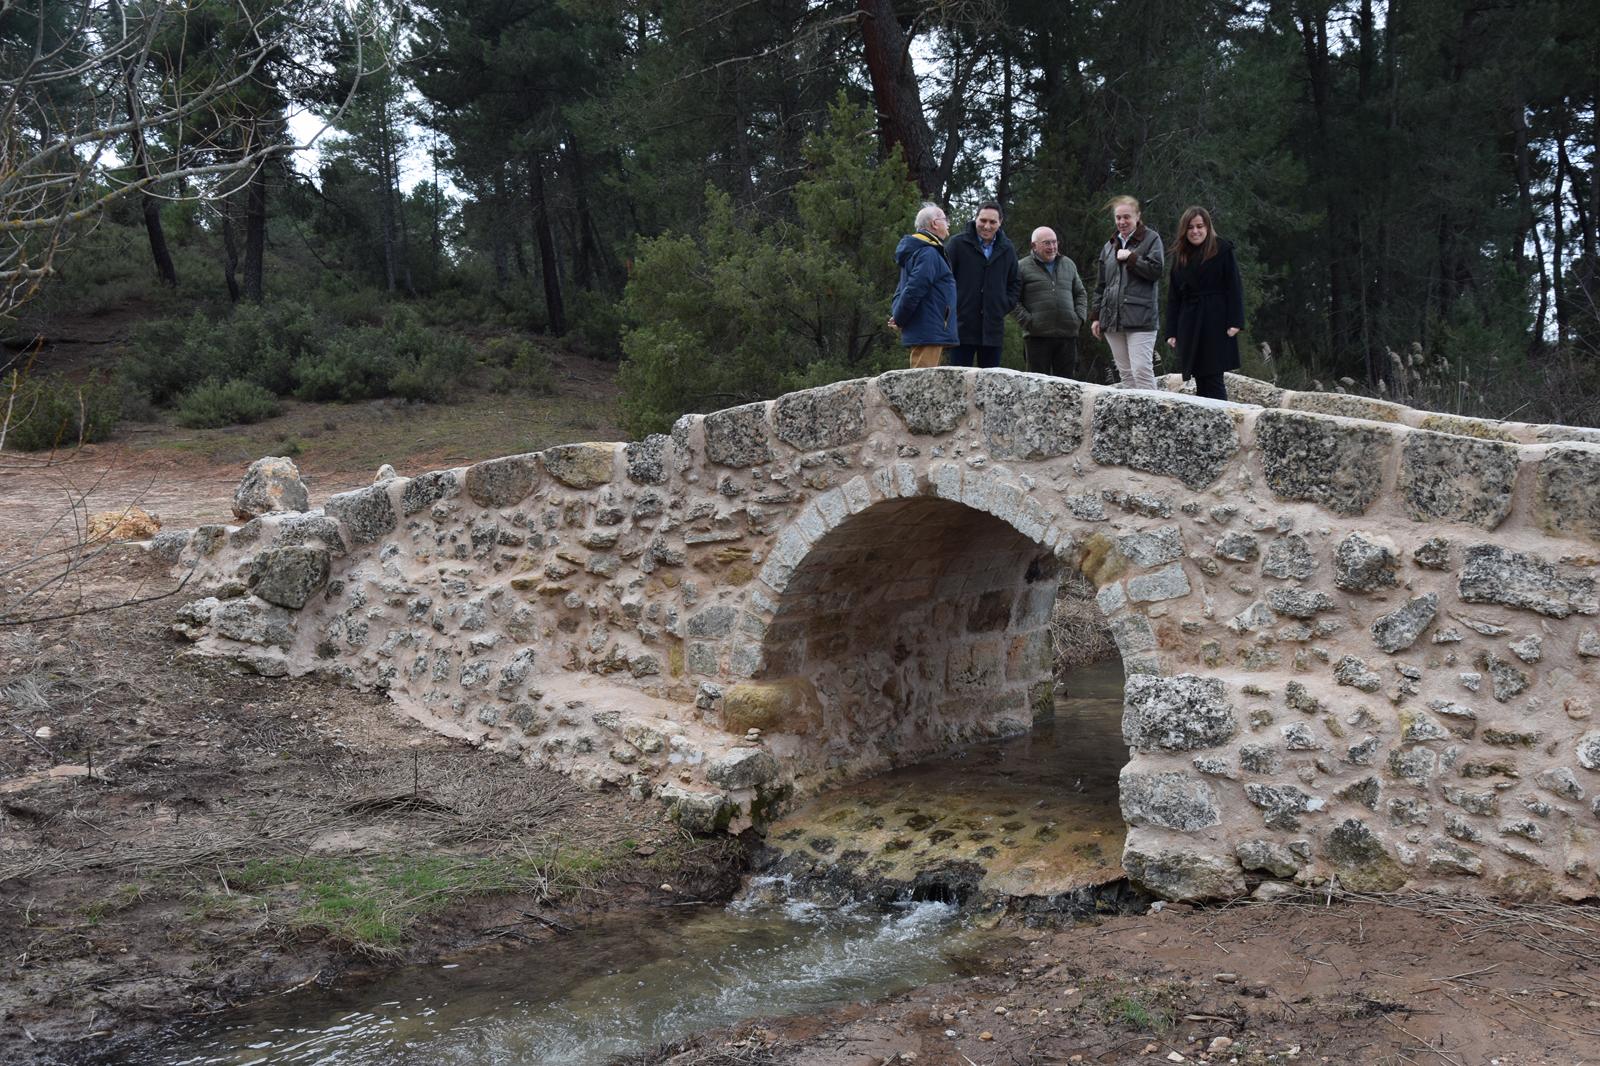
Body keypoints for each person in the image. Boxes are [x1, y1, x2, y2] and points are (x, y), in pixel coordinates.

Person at [1163, 206, 1244, 401]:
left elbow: (1234, 286)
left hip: (1216, 320)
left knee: (1214, 377)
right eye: (1190, 227)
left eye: (1199, 226)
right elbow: (1174, 296)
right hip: (1190, 321)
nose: (1195, 231)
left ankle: (1220, 418)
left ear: (1207, 227)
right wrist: (1171, 331)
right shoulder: (1180, 255)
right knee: (1200, 377)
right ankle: (1206, 418)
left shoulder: (1222, 249)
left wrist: (1235, 321)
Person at [1090, 195, 1164, 390]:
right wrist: (1096, 316)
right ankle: (1132, 411)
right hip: (1111, 320)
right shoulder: (1109, 246)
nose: (1122, 222)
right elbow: (1101, 285)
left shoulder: (1151, 239)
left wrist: (1132, 258)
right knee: (1126, 374)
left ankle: (1151, 410)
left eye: (1127, 217)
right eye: (1118, 217)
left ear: (1137, 216)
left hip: (1141, 318)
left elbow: (1157, 271)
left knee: (1141, 370)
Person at [946, 201, 1020, 368]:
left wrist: (1002, 305)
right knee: (959, 378)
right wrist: (954, 307)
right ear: (976, 218)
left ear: (1000, 222)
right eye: (983, 220)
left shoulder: (1007, 248)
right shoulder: (957, 244)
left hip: (993, 330)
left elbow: (1015, 282)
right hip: (961, 327)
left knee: (990, 381)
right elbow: (944, 279)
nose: (987, 226)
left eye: (992, 222)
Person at [888, 202, 958, 368]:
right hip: (929, 330)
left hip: (927, 329)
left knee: (922, 378)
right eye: (945, 219)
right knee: (922, 379)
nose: (948, 224)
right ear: (934, 223)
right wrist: (899, 318)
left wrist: (898, 315)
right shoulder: (929, 252)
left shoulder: (921, 251)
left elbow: (903, 288)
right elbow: (913, 289)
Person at [1012, 225, 1087, 377]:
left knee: (1067, 385)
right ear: (1034, 246)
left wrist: (1078, 318)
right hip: (1036, 337)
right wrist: (1028, 322)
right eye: (1047, 243)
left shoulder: (1068, 264)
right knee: (1037, 383)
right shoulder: (1021, 267)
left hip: (1067, 335)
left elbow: (1080, 293)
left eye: (1054, 242)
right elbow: (1012, 299)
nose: (1052, 247)